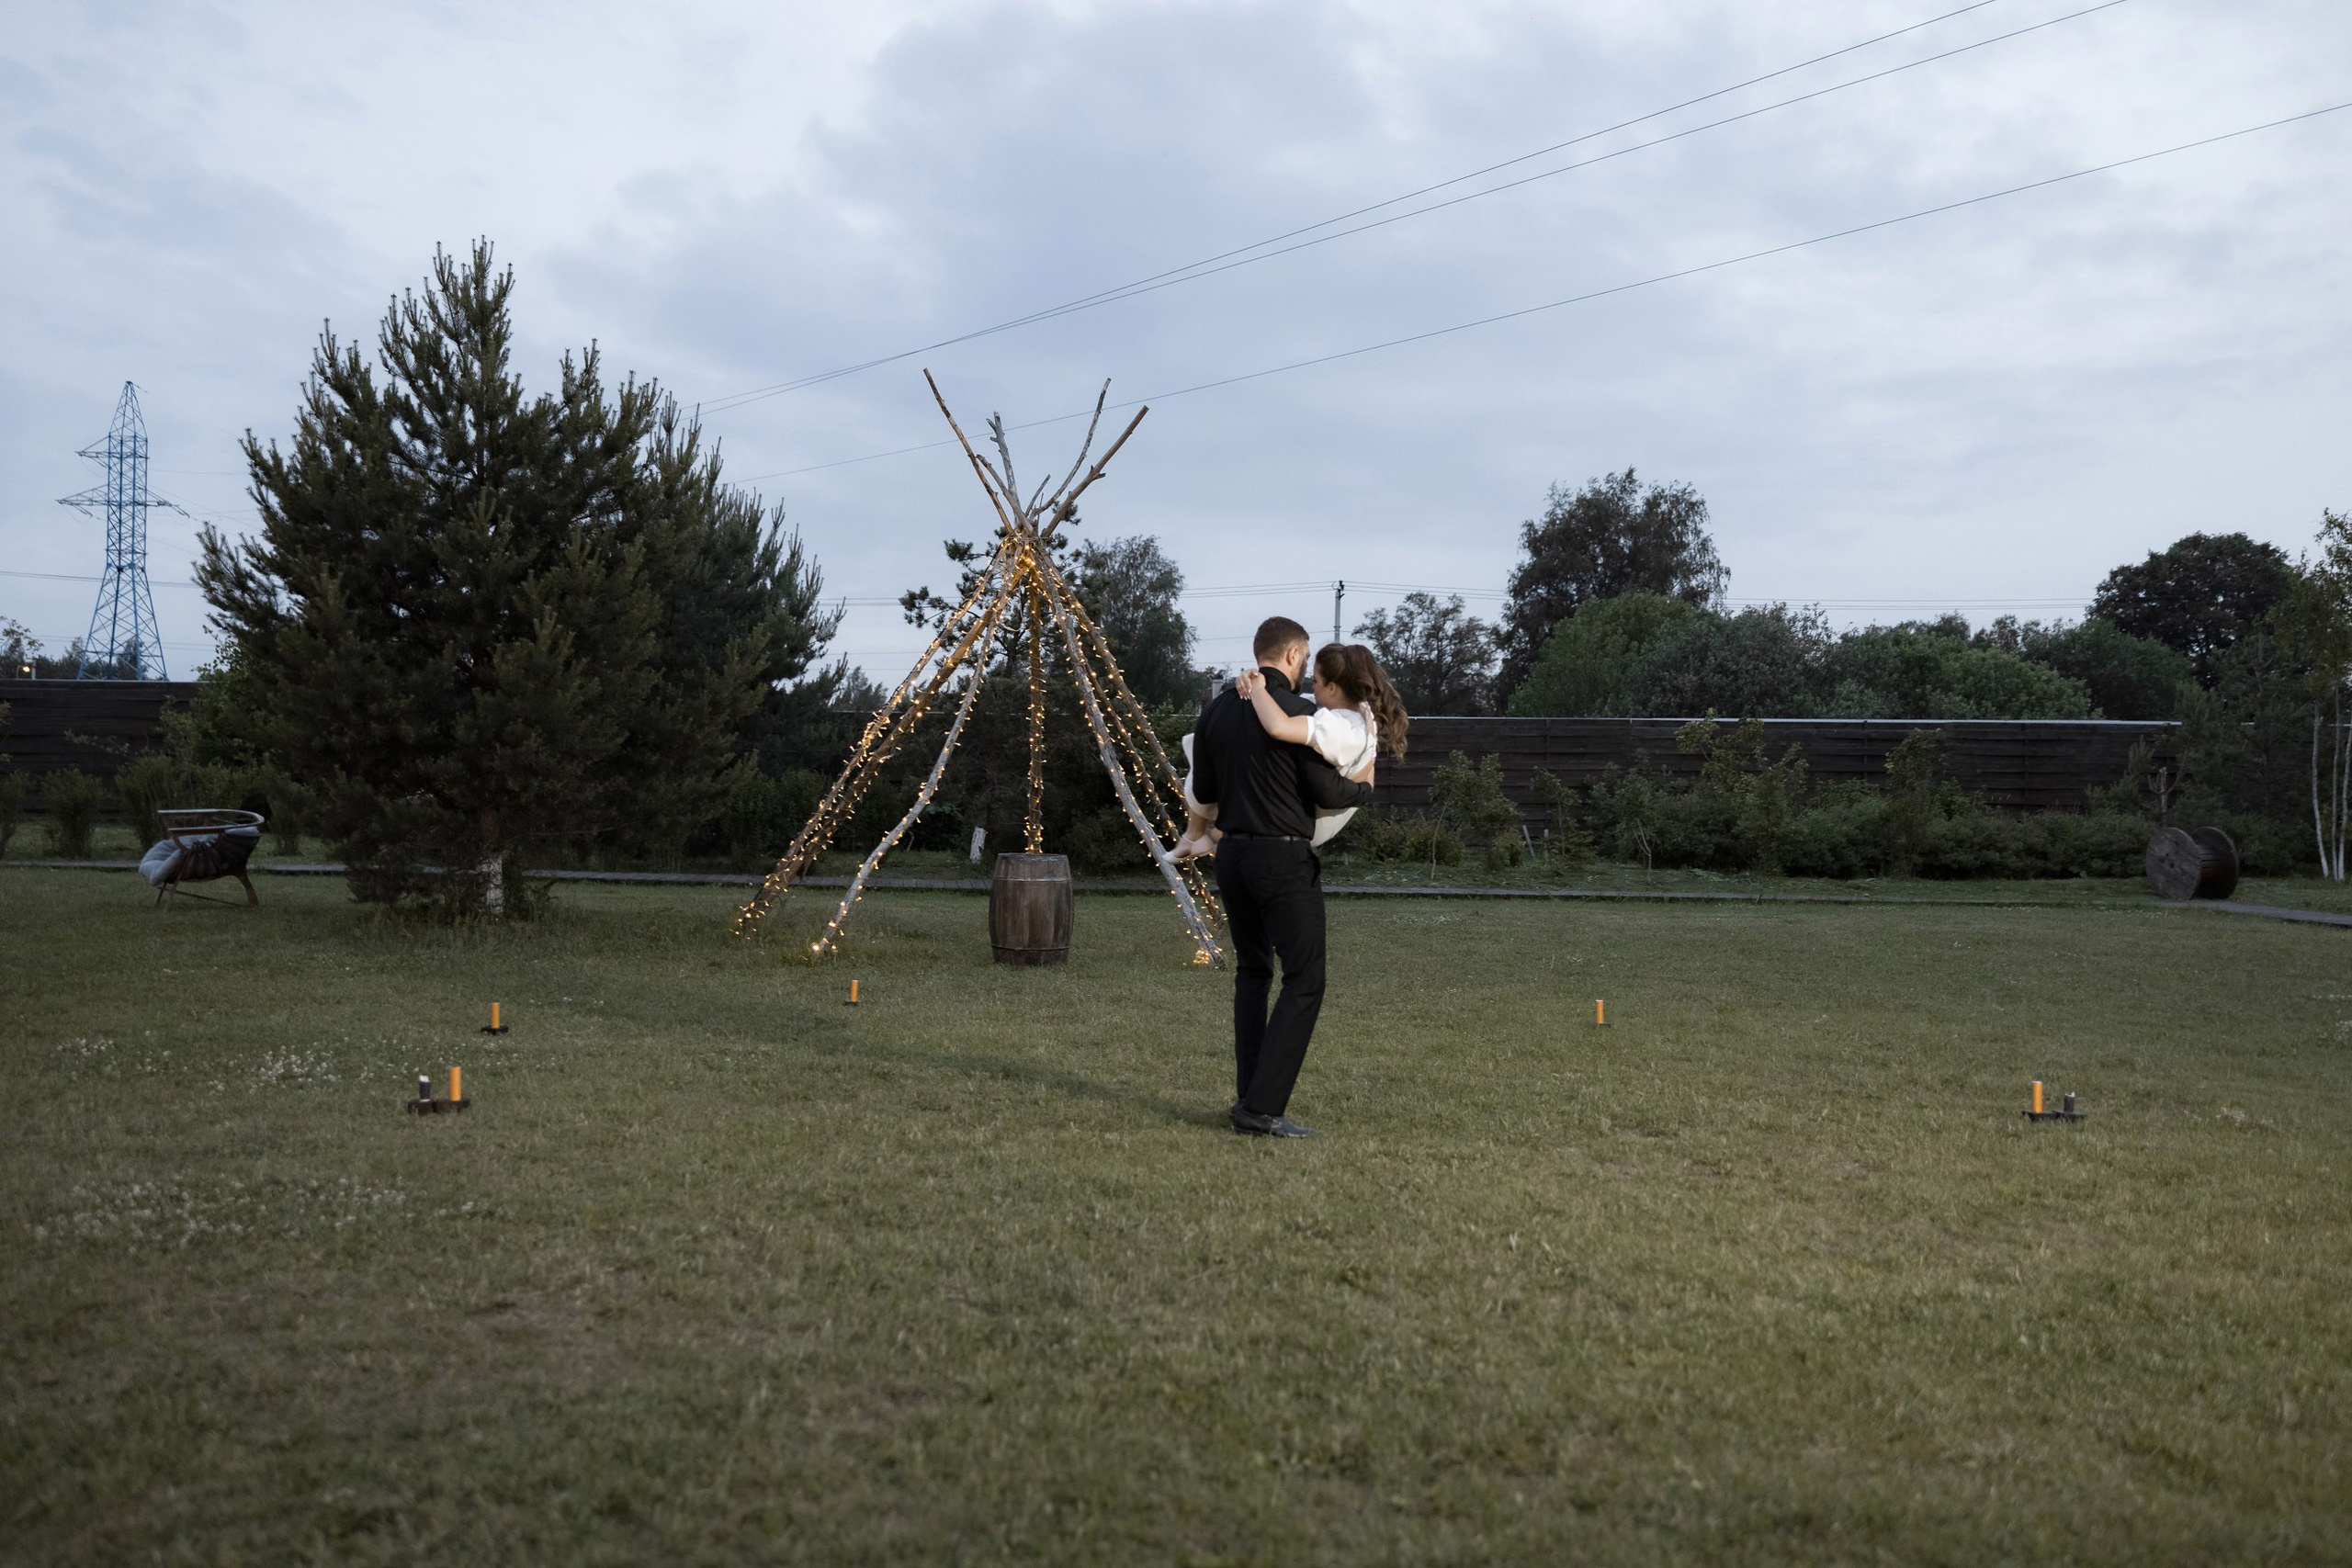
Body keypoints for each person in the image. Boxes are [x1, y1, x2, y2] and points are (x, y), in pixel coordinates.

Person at [1184, 617, 1381, 1138]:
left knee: (1253, 974)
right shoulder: (1300, 714)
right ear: (1293, 656)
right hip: (1282, 861)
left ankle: (1250, 1095)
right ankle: (1261, 1107)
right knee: (1305, 979)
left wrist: (1204, 827)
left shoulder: (1218, 709)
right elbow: (1329, 793)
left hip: (1233, 861)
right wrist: (1365, 786)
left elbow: (1202, 789)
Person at [1173, 642, 1409, 860]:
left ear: (1334, 688)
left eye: (1315, 681)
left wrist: (1256, 688)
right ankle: (1210, 836)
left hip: (1323, 818)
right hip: (1330, 802)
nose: (1311, 686)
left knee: (1228, 753)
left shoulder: (1336, 726)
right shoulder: (1361, 710)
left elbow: (1278, 726)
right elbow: (1291, 701)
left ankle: (1203, 834)